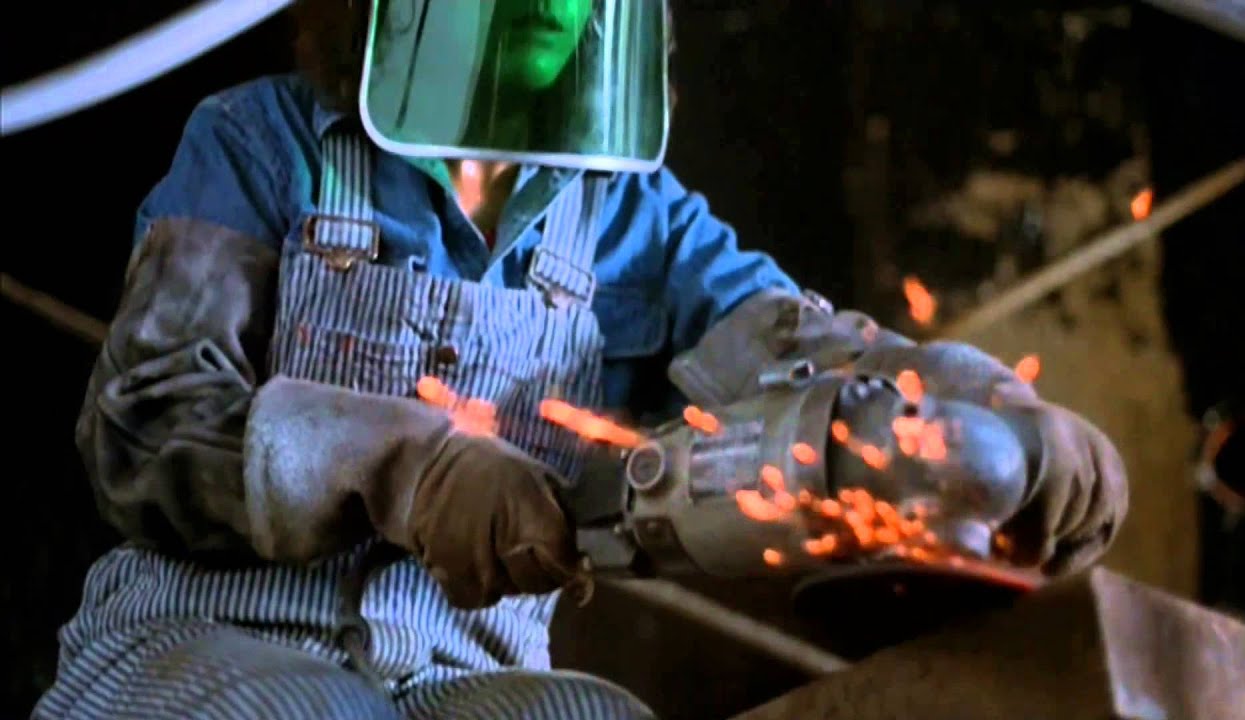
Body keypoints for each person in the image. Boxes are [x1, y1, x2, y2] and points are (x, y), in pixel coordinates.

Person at [32, 1, 1127, 718]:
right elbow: (145, 425)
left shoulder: (628, 214)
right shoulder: (263, 142)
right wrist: (406, 465)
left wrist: (981, 403)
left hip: (463, 680)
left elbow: (802, 353)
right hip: (200, 643)